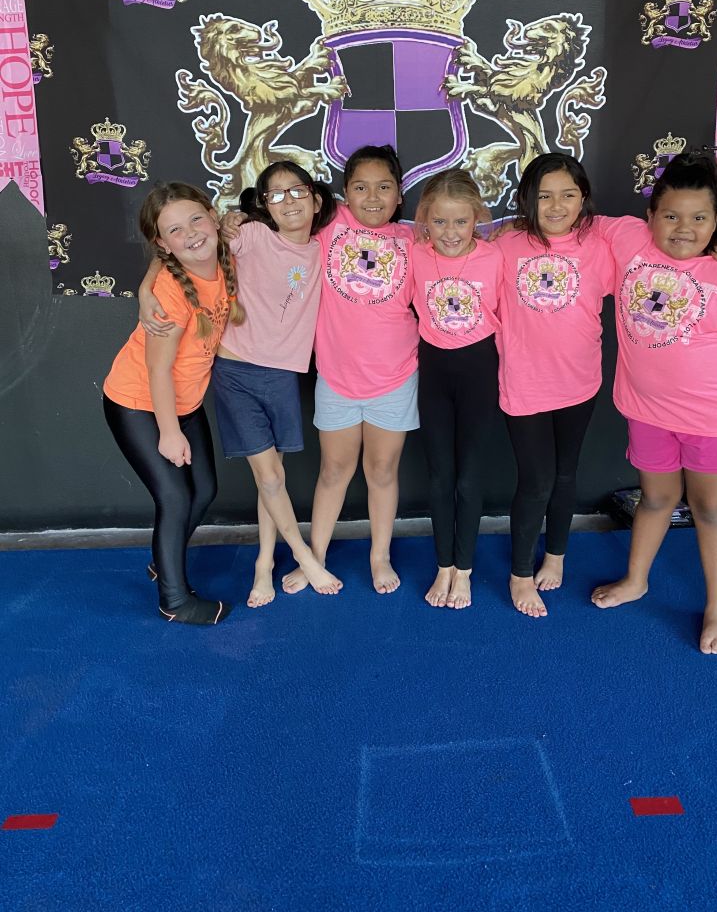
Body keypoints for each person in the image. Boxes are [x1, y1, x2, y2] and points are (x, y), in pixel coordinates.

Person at [591, 152, 717, 654]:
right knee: (655, 499)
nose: (683, 229)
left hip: (714, 421)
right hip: (647, 413)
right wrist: (510, 228)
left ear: (716, 222)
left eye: (698, 218)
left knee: (711, 509)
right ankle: (636, 580)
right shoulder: (628, 240)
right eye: (671, 216)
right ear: (650, 215)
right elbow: (574, 221)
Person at [138, 163, 343, 606]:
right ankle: (302, 555)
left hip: (283, 376)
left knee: (274, 479)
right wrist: (145, 288)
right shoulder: (251, 236)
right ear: (265, 205)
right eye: (276, 195)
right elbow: (182, 248)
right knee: (268, 477)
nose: (288, 201)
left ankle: (264, 562)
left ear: (316, 199)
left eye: (297, 191)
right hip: (236, 374)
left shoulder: (326, 244)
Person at [103, 182, 244, 625]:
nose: (191, 233)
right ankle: (175, 601)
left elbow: (220, 231)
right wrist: (168, 432)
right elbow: (157, 370)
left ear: (213, 216)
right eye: (175, 230)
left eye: (196, 219)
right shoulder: (169, 293)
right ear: (163, 243)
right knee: (175, 497)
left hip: (185, 402)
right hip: (138, 402)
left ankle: (164, 560)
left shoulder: (223, 256)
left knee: (204, 490)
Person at [282, 144, 419, 596]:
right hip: (337, 378)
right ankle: (316, 556)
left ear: (400, 194)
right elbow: (266, 218)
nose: (373, 197)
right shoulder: (328, 225)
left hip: (395, 378)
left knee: (382, 471)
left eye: (384, 187)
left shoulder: (414, 241)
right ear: (344, 194)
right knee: (333, 471)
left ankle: (379, 555)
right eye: (361, 187)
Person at [496, 154, 614, 618]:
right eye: (544, 196)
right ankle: (520, 574)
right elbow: (450, 243)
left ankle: (557, 554)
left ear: (583, 198)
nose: (557, 205)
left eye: (568, 195)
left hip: (579, 381)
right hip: (524, 383)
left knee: (565, 473)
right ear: (528, 198)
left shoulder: (601, 246)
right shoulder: (505, 245)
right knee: (536, 480)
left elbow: (660, 253)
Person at [411, 169, 502, 609]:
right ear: (425, 221)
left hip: (479, 372)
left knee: (469, 478)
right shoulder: (415, 255)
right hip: (434, 373)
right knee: (440, 477)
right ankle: (443, 565)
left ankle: (463, 570)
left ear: (477, 218)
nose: (450, 232)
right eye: (440, 221)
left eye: (461, 221)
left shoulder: (495, 257)